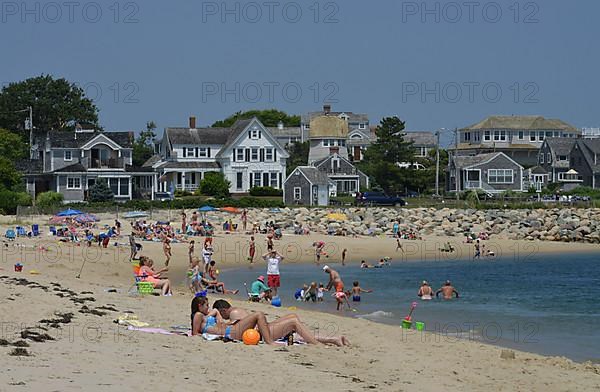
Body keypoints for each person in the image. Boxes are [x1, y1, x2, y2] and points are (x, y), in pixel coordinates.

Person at [191, 297, 349, 346]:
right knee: (259, 314)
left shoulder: (210, 315)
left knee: (293, 318)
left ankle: (332, 340)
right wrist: (215, 334)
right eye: (206, 305)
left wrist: (216, 316)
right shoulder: (199, 316)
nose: (208, 307)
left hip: (231, 330)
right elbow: (195, 333)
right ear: (199, 306)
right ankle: (270, 343)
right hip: (231, 332)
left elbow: (218, 314)